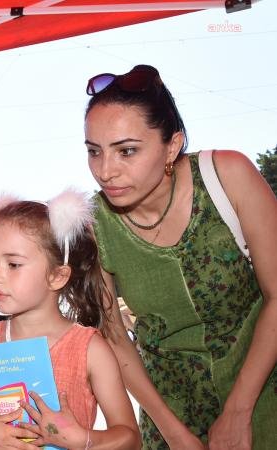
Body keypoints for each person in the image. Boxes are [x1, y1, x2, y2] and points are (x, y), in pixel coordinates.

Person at [84, 64, 277, 449]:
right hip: (168, 413)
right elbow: (115, 336)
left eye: (127, 151)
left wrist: (239, 411)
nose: (105, 171)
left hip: (262, 395)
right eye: (94, 151)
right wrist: (173, 434)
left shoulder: (228, 176)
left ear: (172, 146)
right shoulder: (94, 223)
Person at [0, 191, 140, 450]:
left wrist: (82, 439)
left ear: (57, 276)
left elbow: (130, 438)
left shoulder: (89, 350)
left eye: (13, 264)